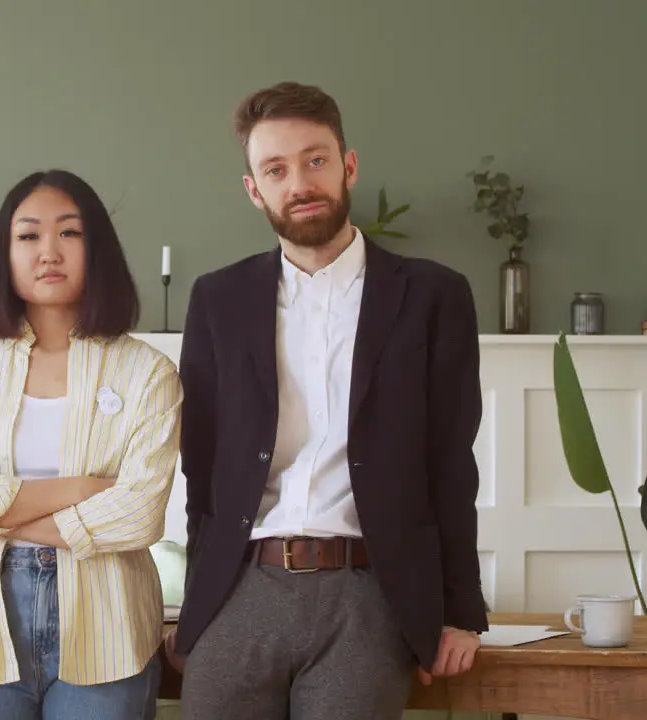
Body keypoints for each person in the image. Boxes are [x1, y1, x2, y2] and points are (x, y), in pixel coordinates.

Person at [166, 81, 488, 719]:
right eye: (276, 169)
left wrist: (461, 611)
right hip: (241, 588)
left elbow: (452, 461)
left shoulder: (433, 296)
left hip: (368, 594)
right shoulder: (217, 299)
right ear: (255, 189)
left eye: (315, 160)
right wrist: (196, 604)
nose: (300, 183)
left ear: (349, 166)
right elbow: (201, 467)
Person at [0, 169, 181, 720]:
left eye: (69, 233)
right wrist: (84, 490)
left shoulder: (146, 372)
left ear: (98, 249)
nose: (49, 252)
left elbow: (139, 515)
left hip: (110, 628)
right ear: (5, 254)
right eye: (28, 235)